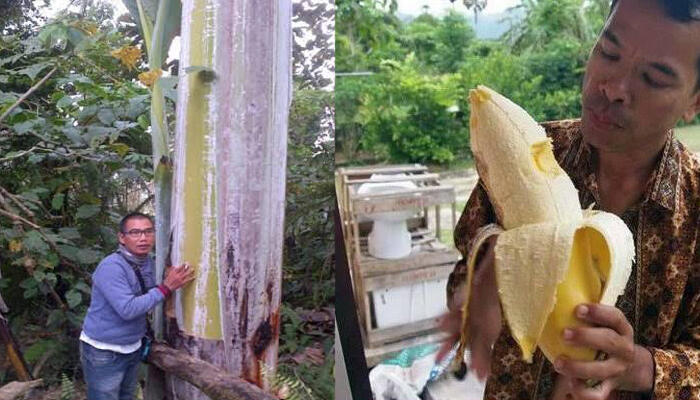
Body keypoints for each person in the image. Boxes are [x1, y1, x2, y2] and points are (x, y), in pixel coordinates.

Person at [443, 0, 700, 399]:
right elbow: (463, 280)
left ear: (694, 102)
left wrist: (637, 365)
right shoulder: (524, 152)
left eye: (653, 78)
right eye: (609, 52)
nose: (612, 88)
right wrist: (482, 289)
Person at [79, 212, 195, 400]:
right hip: (104, 352)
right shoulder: (111, 267)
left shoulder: (148, 263)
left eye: (148, 232)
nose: (143, 238)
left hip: (133, 347)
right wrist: (166, 287)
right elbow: (128, 309)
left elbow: (150, 293)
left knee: (127, 396)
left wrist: (167, 278)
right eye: (135, 232)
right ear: (122, 238)